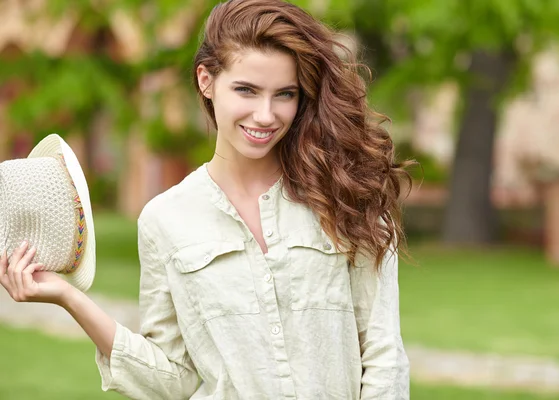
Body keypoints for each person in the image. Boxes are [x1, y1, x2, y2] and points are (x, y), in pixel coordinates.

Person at [0, 0, 412, 398]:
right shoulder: (165, 219)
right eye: (246, 90)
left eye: (284, 94)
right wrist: (68, 296)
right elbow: (172, 379)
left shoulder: (343, 193)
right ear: (206, 81)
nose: (266, 115)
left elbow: (382, 356)